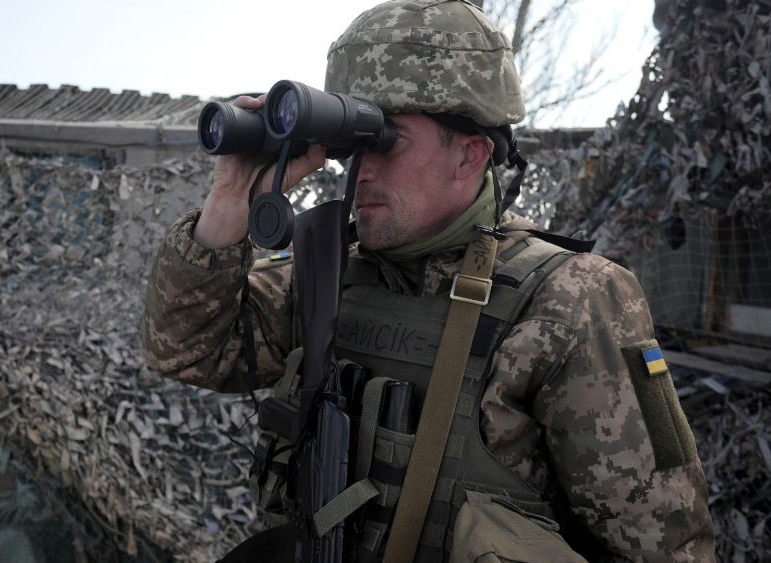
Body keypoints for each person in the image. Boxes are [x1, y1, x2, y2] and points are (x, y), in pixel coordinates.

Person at [143, 0, 715, 560]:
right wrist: (228, 203)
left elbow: (664, 545)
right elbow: (188, 350)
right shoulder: (330, 275)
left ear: (470, 155)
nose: (360, 169)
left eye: (385, 139)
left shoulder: (571, 300)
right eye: (351, 145)